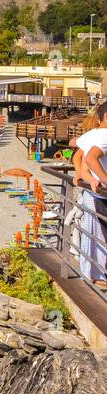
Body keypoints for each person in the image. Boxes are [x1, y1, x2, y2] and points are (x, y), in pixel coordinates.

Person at [71, 104, 107, 285]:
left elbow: (79, 156)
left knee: (95, 235)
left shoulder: (92, 135)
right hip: (100, 194)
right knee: (99, 235)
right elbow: (90, 159)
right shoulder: (103, 136)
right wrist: (101, 179)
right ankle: (97, 275)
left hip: (93, 193)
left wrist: (83, 175)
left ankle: (93, 274)